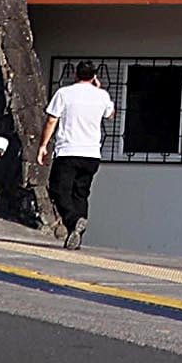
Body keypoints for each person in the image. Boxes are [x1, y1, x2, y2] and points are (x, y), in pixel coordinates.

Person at [38, 60, 114, 250]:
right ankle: (77, 234)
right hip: (92, 154)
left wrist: (43, 145)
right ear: (94, 76)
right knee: (80, 194)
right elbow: (110, 115)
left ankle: (73, 222)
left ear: (75, 75)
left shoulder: (64, 93)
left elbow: (51, 120)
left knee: (58, 190)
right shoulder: (102, 96)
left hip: (68, 151)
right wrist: (99, 89)